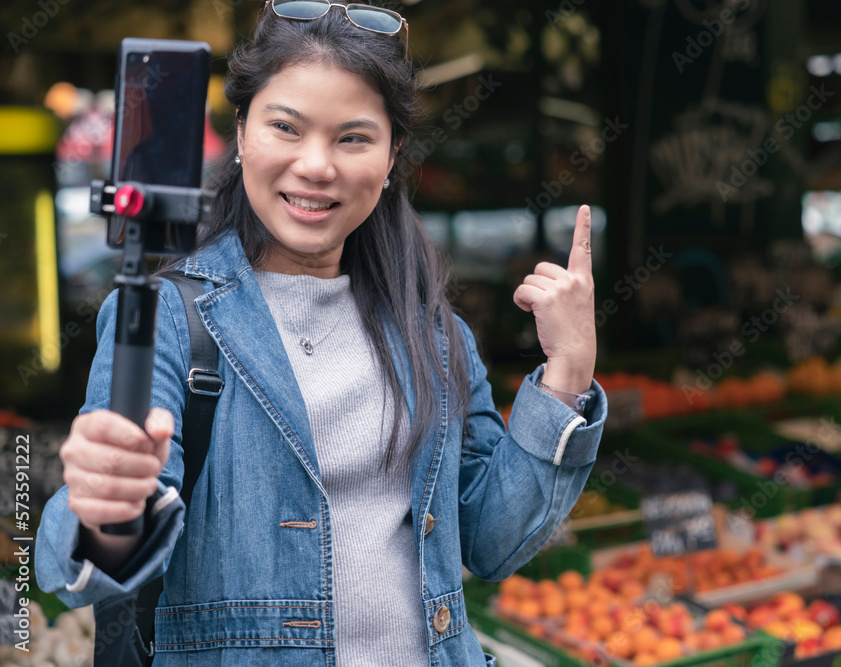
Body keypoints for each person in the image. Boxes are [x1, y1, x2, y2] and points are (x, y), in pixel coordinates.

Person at [36, 2, 607, 665]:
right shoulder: (167, 319)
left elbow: (491, 540)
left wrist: (567, 370)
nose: (317, 166)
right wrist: (104, 506)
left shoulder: (432, 330)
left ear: (392, 155)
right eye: (286, 127)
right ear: (243, 131)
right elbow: (95, 565)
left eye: (353, 138)